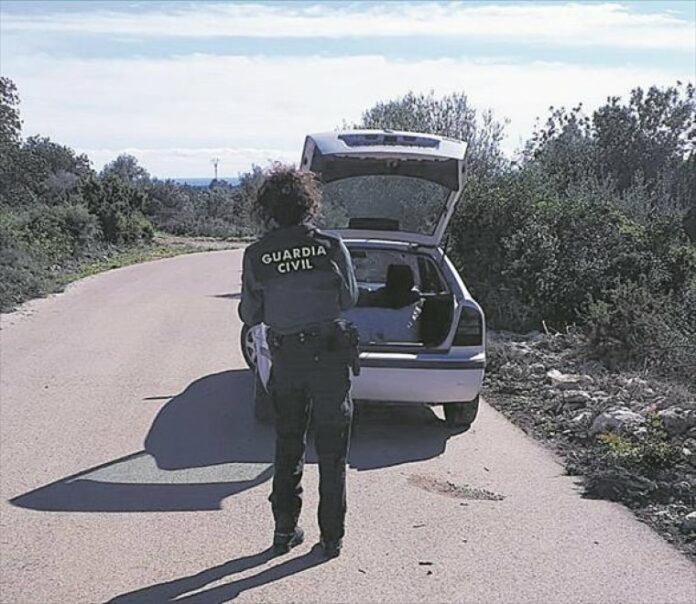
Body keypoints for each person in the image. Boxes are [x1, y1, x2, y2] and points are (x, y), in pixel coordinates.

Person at [238, 165, 359, 559]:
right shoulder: (330, 246)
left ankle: (284, 531)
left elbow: (250, 315)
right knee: (332, 452)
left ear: (268, 209)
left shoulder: (257, 255)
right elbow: (349, 299)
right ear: (309, 204)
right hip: (330, 360)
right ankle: (332, 538)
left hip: (288, 360)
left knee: (288, 445)